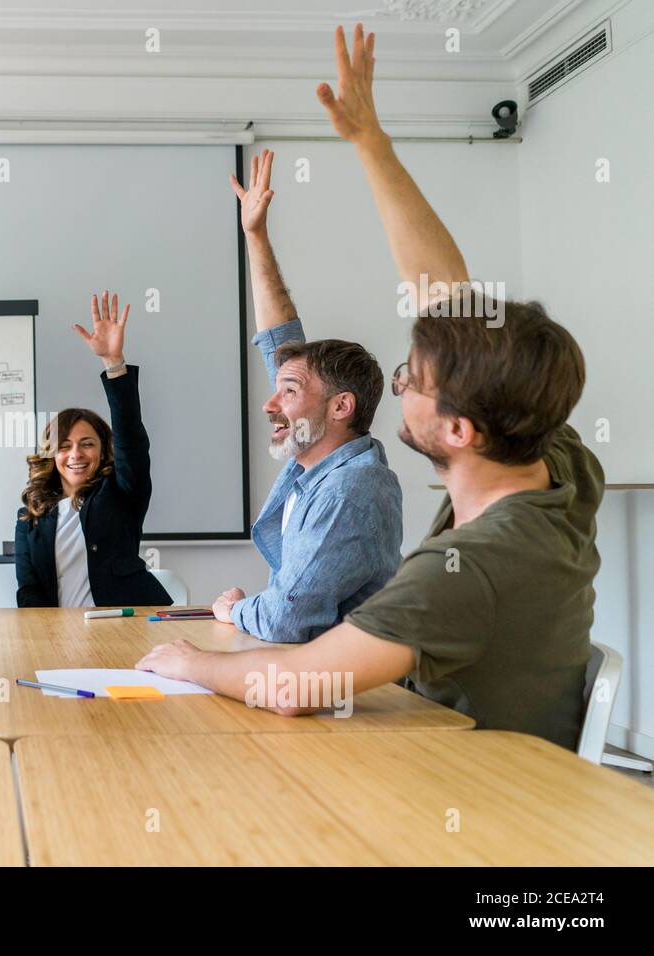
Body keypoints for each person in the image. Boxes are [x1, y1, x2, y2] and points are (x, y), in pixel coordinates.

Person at [137, 25, 602, 749]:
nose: (400, 387)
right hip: (440, 752)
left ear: (460, 432)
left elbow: (294, 686)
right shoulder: (555, 463)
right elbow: (448, 301)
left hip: (477, 800)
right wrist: (368, 141)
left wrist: (192, 661)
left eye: (411, 379)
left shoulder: (469, 568)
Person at [214, 148, 402, 642]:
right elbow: (279, 341)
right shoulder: (319, 467)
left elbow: (285, 619)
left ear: (341, 406)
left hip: (351, 699)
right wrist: (255, 236)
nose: (269, 404)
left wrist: (236, 610)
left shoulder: (347, 490)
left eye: (289, 392)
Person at [14, 292, 172, 608]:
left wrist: (114, 363)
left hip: (125, 629)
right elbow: (29, 590)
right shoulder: (28, 518)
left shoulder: (121, 492)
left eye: (87, 444)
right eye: (65, 446)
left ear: (102, 450)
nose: (76, 454)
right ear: (52, 454)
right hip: (59, 637)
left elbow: (131, 439)